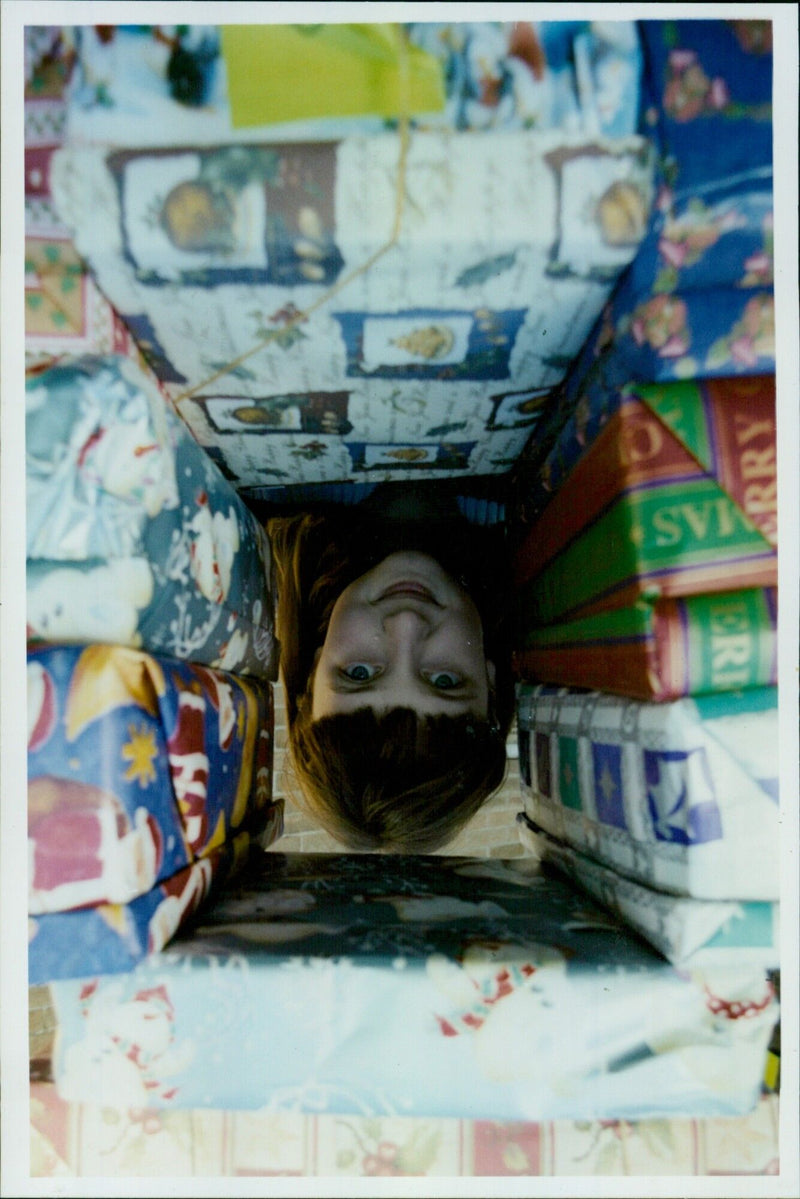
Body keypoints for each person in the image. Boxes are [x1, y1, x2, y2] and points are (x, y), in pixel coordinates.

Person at [266, 485, 515, 853]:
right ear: (490, 682)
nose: (407, 622)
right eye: (444, 680)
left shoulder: (271, 489)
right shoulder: (538, 503)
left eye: (359, 673)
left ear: (315, 667)